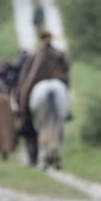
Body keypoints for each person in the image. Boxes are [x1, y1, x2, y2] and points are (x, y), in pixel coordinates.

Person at [17, 29, 70, 165]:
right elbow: (66, 72)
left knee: (24, 92)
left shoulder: (36, 55)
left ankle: (23, 115)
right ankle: (68, 111)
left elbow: (29, 75)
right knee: (64, 100)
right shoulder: (59, 54)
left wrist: (24, 95)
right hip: (57, 82)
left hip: (38, 82)